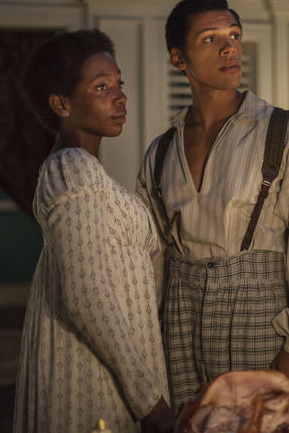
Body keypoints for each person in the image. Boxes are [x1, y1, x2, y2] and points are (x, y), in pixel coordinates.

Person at [136, 0, 289, 411]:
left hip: (259, 317)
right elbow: (151, 262)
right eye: (211, 38)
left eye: (234, 35)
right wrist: (147, 347)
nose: (229, 47)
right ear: (178, 58)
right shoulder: (161, 150)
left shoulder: (283, 131)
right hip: (180, 323)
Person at [13, 30, 174, 433]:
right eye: (101, 86)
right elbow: (87, 296)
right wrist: (150, 404)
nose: (119, 96)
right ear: (62, 103)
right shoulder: (72, 169)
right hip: (90, 374)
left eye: (119, 83)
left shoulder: (87, 172)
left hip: (113, 369)